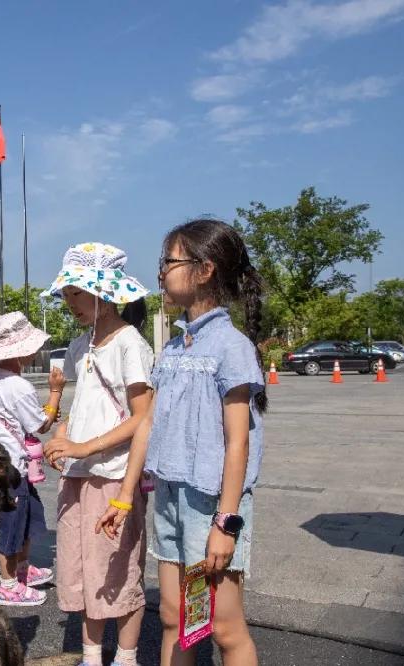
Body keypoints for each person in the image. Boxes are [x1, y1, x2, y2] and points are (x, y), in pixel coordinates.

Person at [98, 219, 266, 666]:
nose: (160, 273)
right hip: (171, 500)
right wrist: (123, 496)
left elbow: (238, 444)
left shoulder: (231, 347)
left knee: (225, 629)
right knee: (175, 618)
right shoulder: (173, 349)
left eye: (168, 262)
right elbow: (147, 423)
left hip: (211, 506)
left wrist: (225, 523)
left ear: (204, 269)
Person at [40, 242, 154, 666]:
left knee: (119, 571)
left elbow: (142, 418)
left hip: (113, 475)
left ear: (105, 294)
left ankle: (125, 658)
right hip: (78, 475)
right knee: (83, 568)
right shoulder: (79, 346)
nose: (70, 303)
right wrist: (63, 437)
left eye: (77, 293)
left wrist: (83, 446)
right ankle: (91, 656)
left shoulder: (130, 343)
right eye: (67, 294)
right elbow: (78, 406)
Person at [0, 312, 65, 607]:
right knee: (14, 522)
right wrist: (55, 394)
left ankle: (22, 570)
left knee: (29, 514)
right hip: (9, 467)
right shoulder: (18, 385)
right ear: (21, 351)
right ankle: (8, 584)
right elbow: (40, 425)